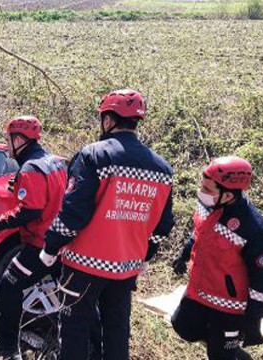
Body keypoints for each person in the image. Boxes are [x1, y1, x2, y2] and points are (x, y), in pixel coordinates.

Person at [42, 89, 175, 360]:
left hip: (83, 265)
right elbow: (164, 225)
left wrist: (51, 246)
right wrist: (146, 254)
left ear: (108, 120)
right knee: (116, 332)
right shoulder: (162, 169)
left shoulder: (94, 156)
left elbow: (73, 214)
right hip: (126, 268)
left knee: (74, 330)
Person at [0, 116, 67, 360]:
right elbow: (51, 195)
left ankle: (8, 348)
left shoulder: (31, 168)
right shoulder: (53, 163)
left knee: (9, 285)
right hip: (61, 242)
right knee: (70, 298)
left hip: (40, 245)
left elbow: (30, 210)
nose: (6, 144)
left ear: (19, 140)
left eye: (8, 139)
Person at [171, 156, 263, 360]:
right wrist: (183, 255)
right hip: (199, 291)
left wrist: (254, 318)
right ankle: (222, 343)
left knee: (220, 355)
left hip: (229, 307)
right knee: (182, 326)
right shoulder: (209, 206)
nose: (202, 192)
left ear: (228, 195)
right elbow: (199, 234)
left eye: (208, 190)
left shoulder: (255, 231)